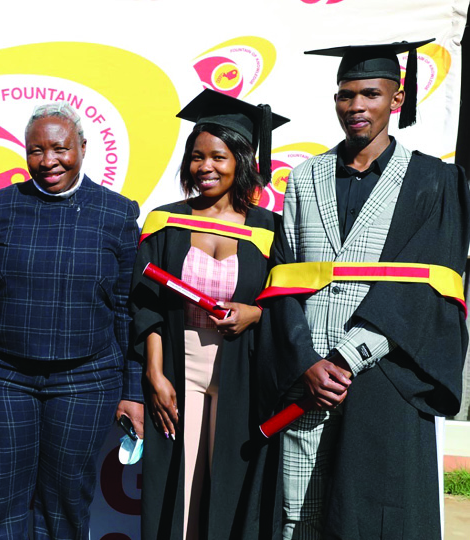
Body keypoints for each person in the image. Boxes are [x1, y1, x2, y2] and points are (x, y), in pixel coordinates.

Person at [255, 39, 470, 539]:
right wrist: (306, 359)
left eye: (370, 94)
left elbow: (429, 287)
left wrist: (347, 357)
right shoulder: (305, 179)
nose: (355, 107)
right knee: (297, 513)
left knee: (368, 516)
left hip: (383, 376)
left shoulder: (435, 182)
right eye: (345, 95)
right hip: (306, 381)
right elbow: (283, 277)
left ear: (396, 100)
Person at [0, 102, 143, 540]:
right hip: (0, 376)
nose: (48, 162)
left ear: (82, 146)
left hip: (86, 379)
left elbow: (126, 309)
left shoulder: (117, 214)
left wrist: (132, 391)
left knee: (64, 507)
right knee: (1, 504)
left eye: (60, 149)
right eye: (36, 151)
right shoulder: (0, 206)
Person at [131, 89, 287, 540]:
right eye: (197, 157)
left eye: (218, 157)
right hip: (181, 362)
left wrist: (255, 315)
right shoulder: (166, 221)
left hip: (242, 365)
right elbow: (147, 303)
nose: (205, 168)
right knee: (182, 481)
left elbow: (283, 301)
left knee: (231, 477)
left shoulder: (268, 228)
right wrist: (155, 374)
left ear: (241, 160)